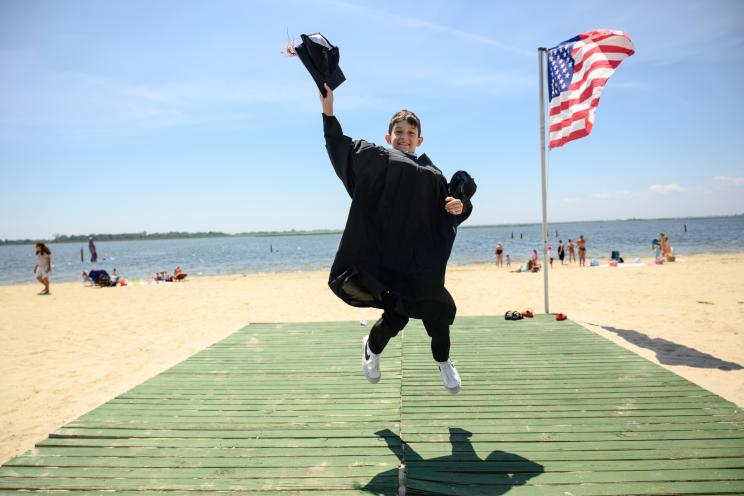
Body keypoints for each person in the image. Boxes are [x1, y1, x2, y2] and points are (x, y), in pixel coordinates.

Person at [320, 83, 475, 394]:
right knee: (396, 319)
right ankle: (372, 349)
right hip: (387, 260)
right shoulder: (377, 161)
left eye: (410, 133)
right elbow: (339, 146)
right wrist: (328, 111)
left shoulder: (432, 174)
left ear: (420, 140)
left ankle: (443, 361)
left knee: (440, 312)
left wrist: (460, 206)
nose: (404, 138)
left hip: (421, 262)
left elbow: (452, 208)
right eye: (399, 132)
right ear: (388, 137)